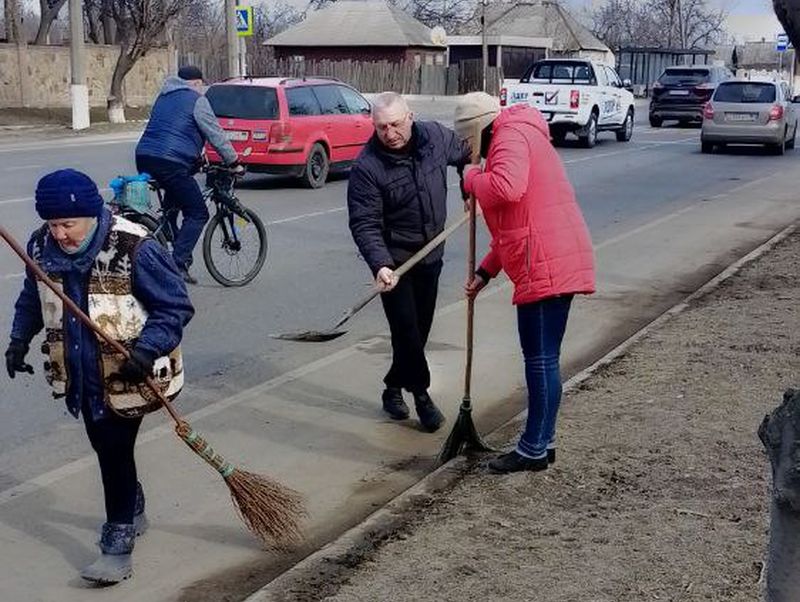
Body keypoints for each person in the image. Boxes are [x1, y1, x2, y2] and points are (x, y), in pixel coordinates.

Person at [5, 169, 194, 584]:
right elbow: (32, 298)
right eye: (52, 224)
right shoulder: (39, 245)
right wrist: (18, 340)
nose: (58, 234)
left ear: (91, 215)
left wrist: (146, 350)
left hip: (130, 371)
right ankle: (133, 499)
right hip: (78, 370)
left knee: (112, 447)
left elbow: (175, 306)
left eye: (67, 224)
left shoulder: (134, 247)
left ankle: (117, 541)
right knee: (106, 445)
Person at [455, 92, 596, 474]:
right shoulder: (521, 133)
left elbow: (506, 188)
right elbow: (515, 225)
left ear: (479, 129)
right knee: (547, 359)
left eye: (469, 142)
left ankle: (532, 448)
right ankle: (543, 441)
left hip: (546, 264)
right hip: (553, 257)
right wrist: (484, 273)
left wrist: (471, 179)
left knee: (540, 360)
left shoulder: (509, 136)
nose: (473, 153)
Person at [347, 92, 471, 432]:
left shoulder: (434, 138)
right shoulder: (367, 166)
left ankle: (391, 387)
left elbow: (467, 152)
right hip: (395, 264)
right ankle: (422, 396)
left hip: (431, 254)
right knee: (406, 330)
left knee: (419, 330)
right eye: (381, 127)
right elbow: (364, 222)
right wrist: (380, 264)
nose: (389, 133)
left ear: (410, 117)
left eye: (395, 124)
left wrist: (468, 187)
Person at [135, 65, 241, 284]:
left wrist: (196, 159)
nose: (202, 89)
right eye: (201, 85)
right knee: (197, 213)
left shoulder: (163, 97)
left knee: (172, 209)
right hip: (170, 162)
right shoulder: (196, 100)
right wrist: (234, 161)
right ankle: (178, 263)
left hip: (145, 157)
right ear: (196, 83)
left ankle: (170, 247)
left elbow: (173, 130)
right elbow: (215, 133)